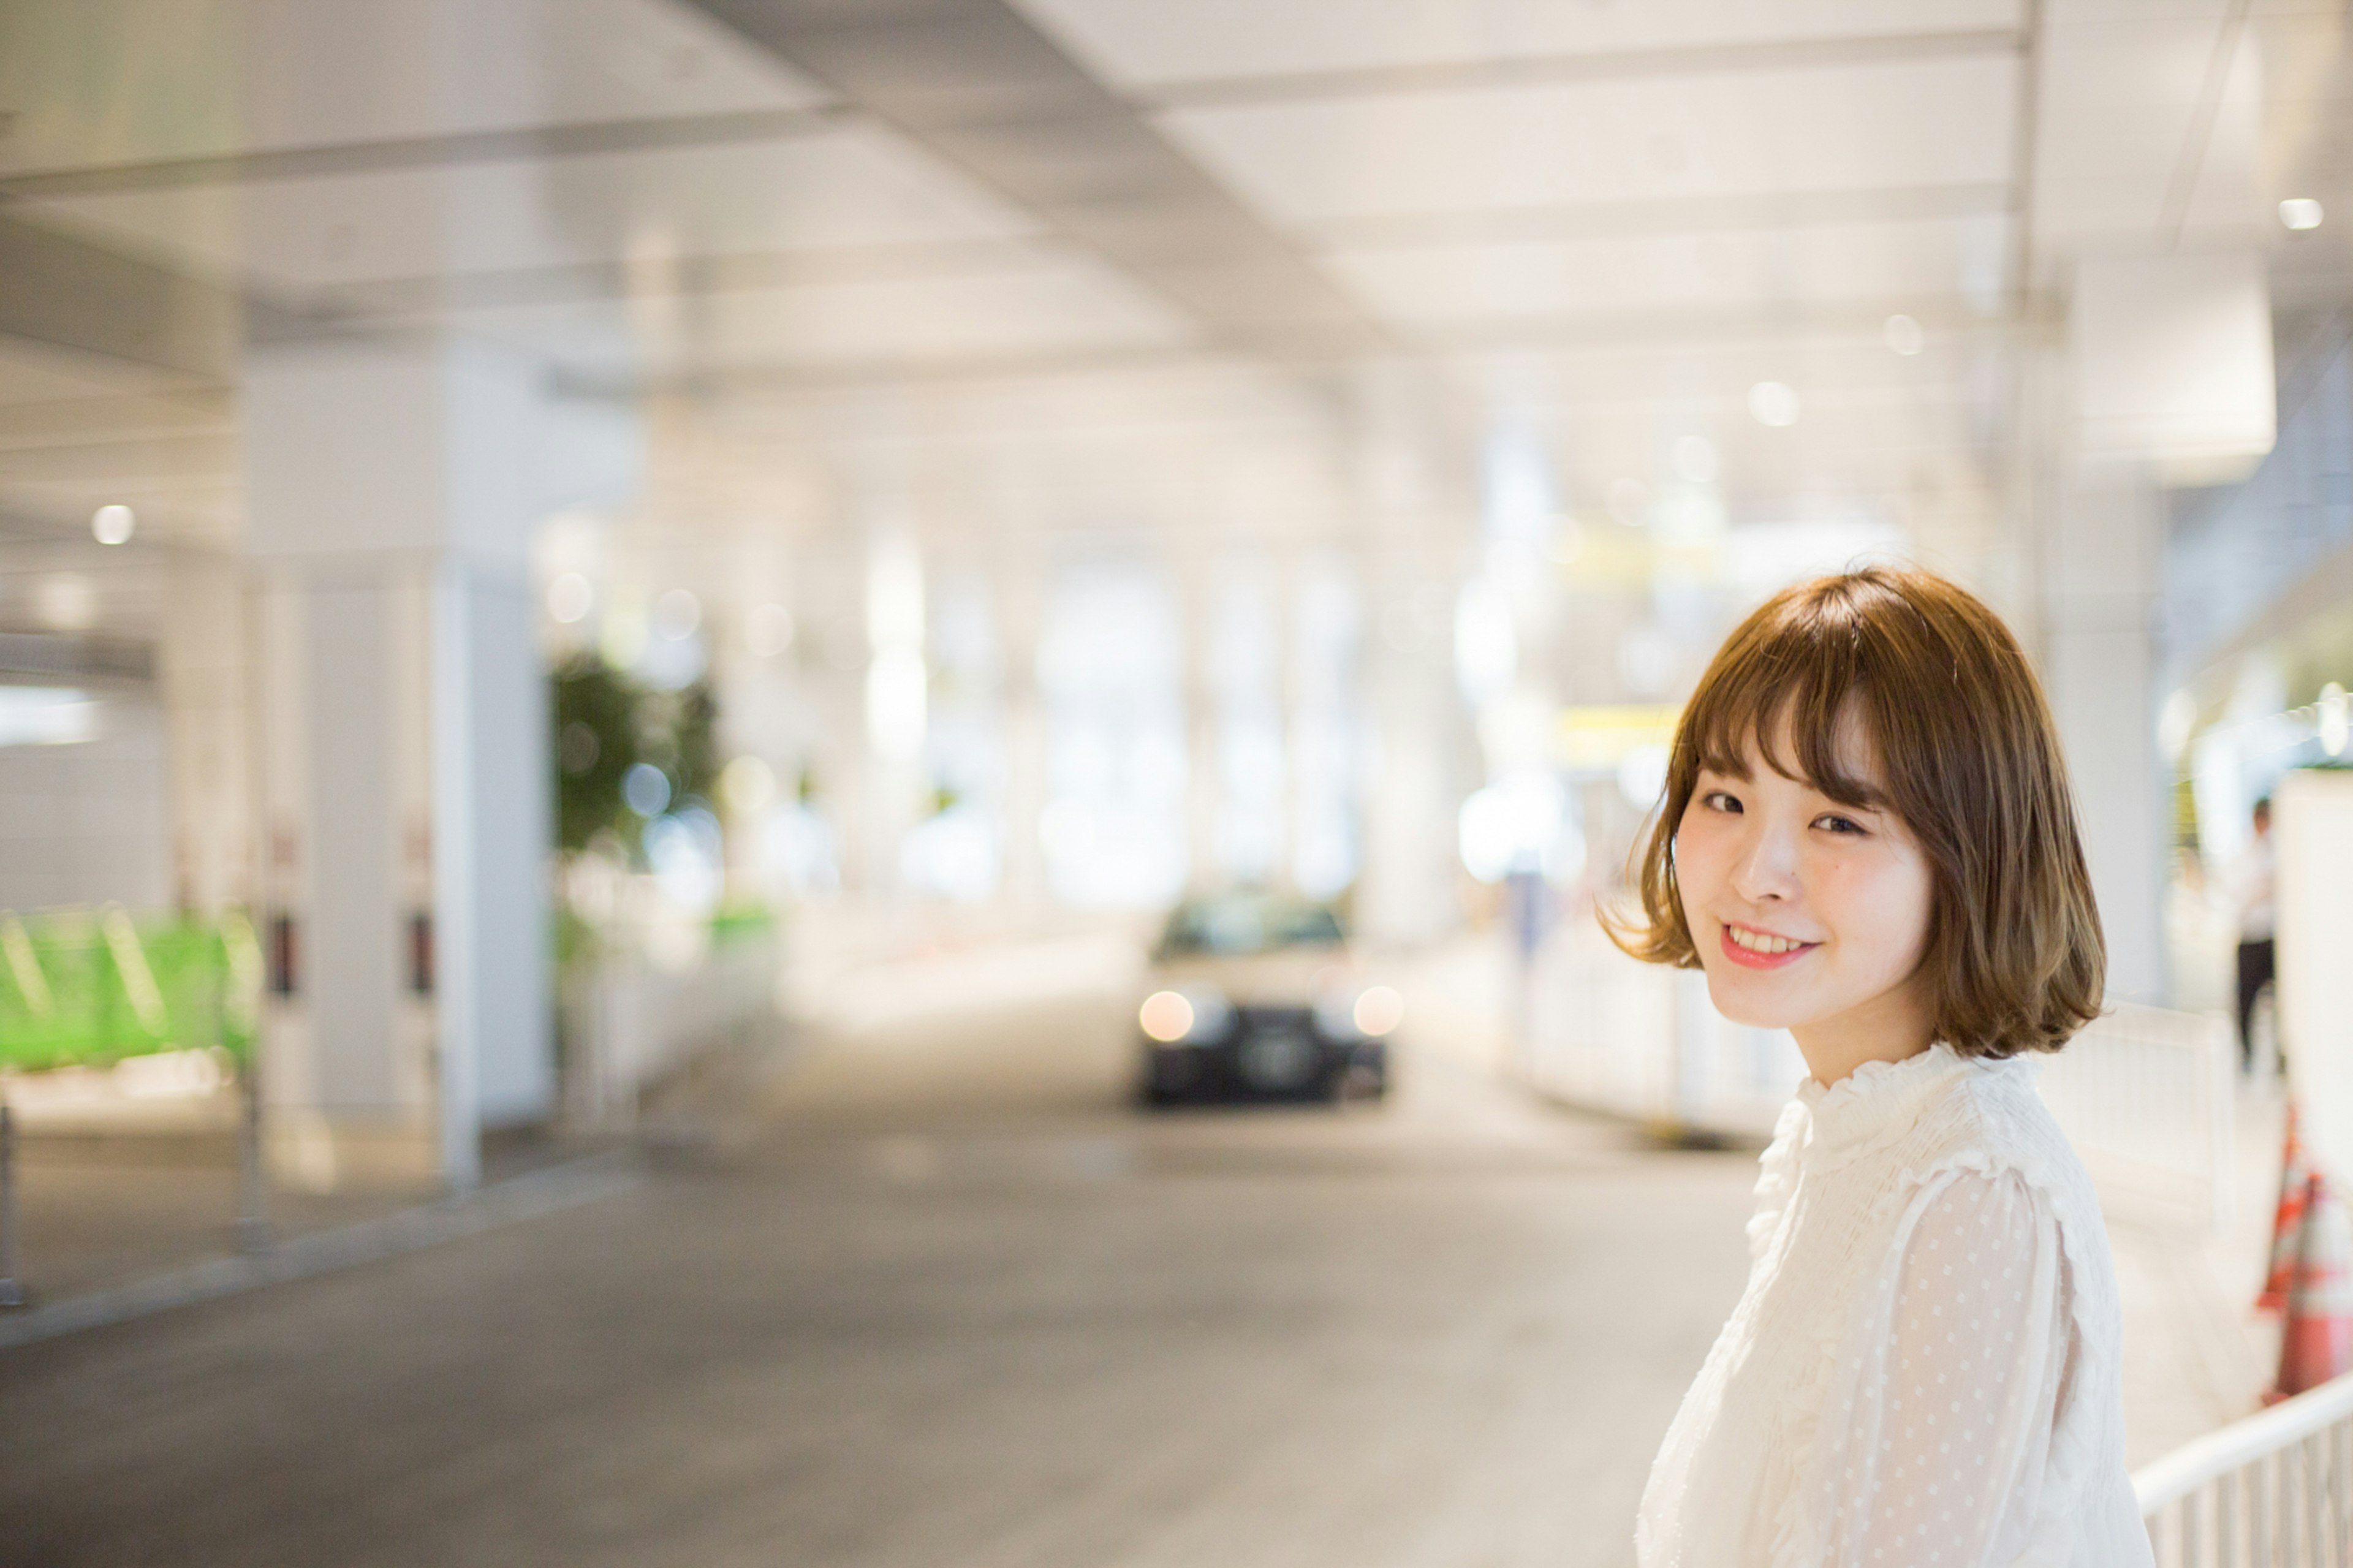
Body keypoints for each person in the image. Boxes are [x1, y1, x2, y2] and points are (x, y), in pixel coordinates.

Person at [1612, 568, 2150, 1566]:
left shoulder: (1973, 1189)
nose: (1753, 872)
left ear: (1972, 855)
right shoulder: (1864, 1127)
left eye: (1838, 821)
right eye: (1725, 795)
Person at [2231, 797, 2276, 1073]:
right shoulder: (2242, 857)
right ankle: (2247, 1055)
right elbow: (2236, 899)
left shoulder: (2281, 853)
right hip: (2250, 937)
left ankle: (2282, 1057)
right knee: (2245, 1002)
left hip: (2274, 938)